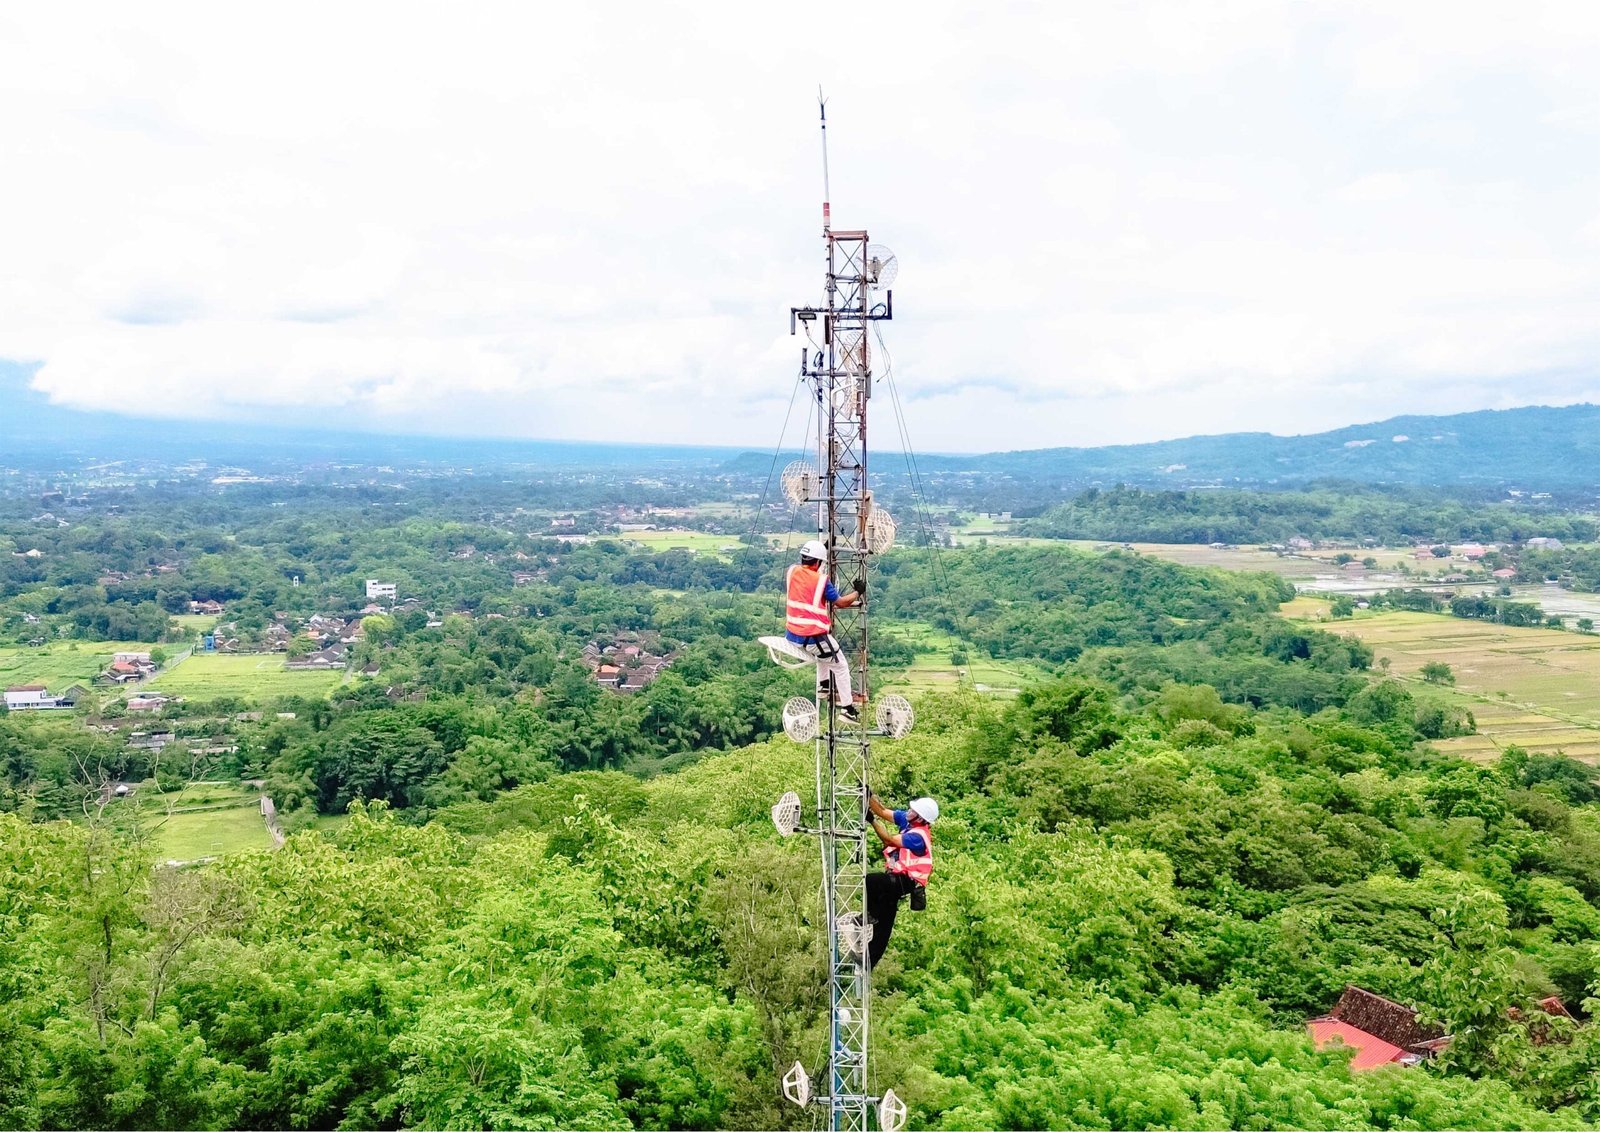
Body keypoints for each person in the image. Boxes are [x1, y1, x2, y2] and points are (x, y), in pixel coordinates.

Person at [784, 539, 865, 722]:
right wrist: (858, 592)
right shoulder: (821, 581)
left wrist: (822, 550)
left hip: (793, 636)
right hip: (811, 636)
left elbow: (809, 572)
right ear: (819, 562)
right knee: (840, 664)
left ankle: (824, 686)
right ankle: (847, 709)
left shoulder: (792, 571)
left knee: (825, 652)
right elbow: (842, 602)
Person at [864, 793, 936, 967]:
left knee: (872, 881)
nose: (909, 810)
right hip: (895, 878)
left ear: (920, 818)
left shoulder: (918, 836)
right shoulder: (909, 820)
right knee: (884, 924)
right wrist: (868, 796)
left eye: (913, 810)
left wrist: (872, 821)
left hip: (904, 881)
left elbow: (888, 839)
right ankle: (868, 961)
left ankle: (870, 915)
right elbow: (882, 811)